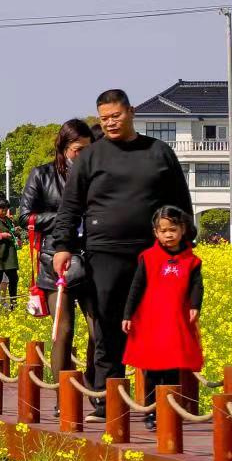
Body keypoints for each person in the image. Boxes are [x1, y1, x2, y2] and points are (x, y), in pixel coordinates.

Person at [53, 89, 193, 417]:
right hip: (104, 253)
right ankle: (107, 401)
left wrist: (185, 246)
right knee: (107, 329)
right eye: (104, 118)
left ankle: (160, 406)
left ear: (131, 112)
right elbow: (70, 206)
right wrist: (63, 247)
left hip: (154, 254)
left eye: (116, 116)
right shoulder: (90, 157)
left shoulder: (159, 152)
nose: (111, 123)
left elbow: (181, 203)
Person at [19, 119, 95, 374]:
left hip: (92, 259)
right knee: (63, 330)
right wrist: (65, 217)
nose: (83, 156)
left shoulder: (97, 175)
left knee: (99, 330)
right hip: (55, 260)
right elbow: (25, 217)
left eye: (88, 150)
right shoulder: (42, 174)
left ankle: (96, 386)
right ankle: (63, 390)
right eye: (77, 150)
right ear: (63, 147)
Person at [123, 206, 204, 429]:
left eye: (173, 230)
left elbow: (197, 286)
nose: (168, 235)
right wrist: (128, 314)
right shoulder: (148, 258)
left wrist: (195, 305)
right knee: (151, 368)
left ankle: (169, 411)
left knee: (172, 368)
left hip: (175, 321)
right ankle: (151, 412)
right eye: (163, 230)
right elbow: (136, 287)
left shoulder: (192, 260)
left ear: (182, 230)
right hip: (151, 321)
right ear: (156, 233)